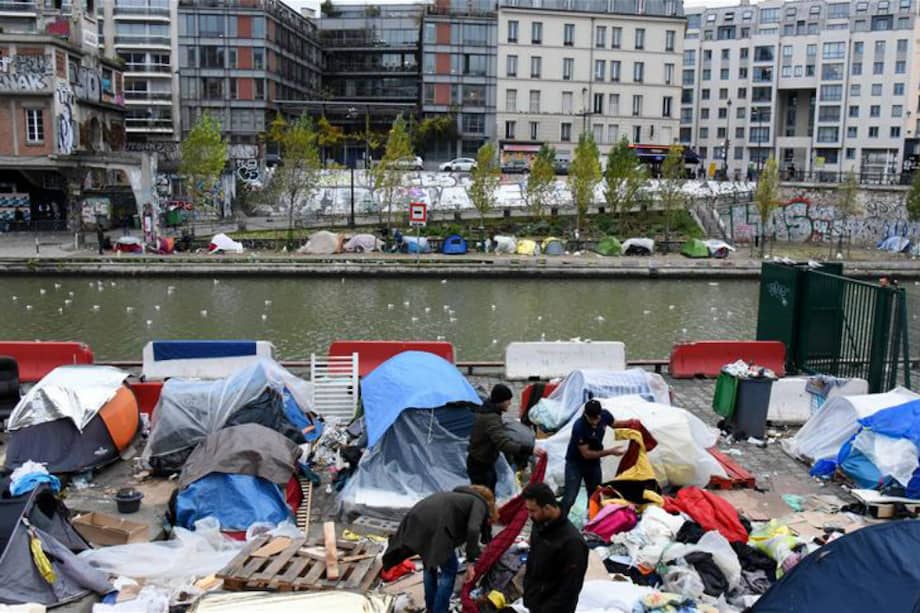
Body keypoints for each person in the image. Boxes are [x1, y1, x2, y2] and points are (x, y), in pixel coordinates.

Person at [382, 485, 497, 613]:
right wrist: (470, 562)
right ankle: (440, 610)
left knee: (429, 566)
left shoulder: (458, 497)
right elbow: (473, 529)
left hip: (418, 521)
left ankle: (431, 608)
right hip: (437, 530)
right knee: (450, 569)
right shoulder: (479, 503)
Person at [561, 399, 657, 516]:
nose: (595, 422)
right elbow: (586, 454)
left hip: (593, 464)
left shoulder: (604, 415)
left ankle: (591, 520)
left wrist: (631, 423)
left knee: (595, 494)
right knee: (570, 497)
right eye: (592, 419)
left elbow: (615, 424)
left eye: (597, 418)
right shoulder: (579, 427)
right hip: (576, 463)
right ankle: (560, 520)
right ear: (585, 415)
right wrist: (610, 451)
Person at [522, 483, 588, 613]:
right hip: (535, 602)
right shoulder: (539, 525)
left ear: (547, 508)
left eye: (533, 510)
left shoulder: (572, 543)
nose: (530, 515)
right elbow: (532, 561)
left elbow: (570, 588)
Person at [468, 384, 542, 493]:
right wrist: (529, 450)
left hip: (482, 462)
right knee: (484, 497)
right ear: (500, 401)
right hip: (480, 465)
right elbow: (502, 443)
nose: (510, 403)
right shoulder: (491, 418)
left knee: (489, 491)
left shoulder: (488, 412)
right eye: (508, 400)